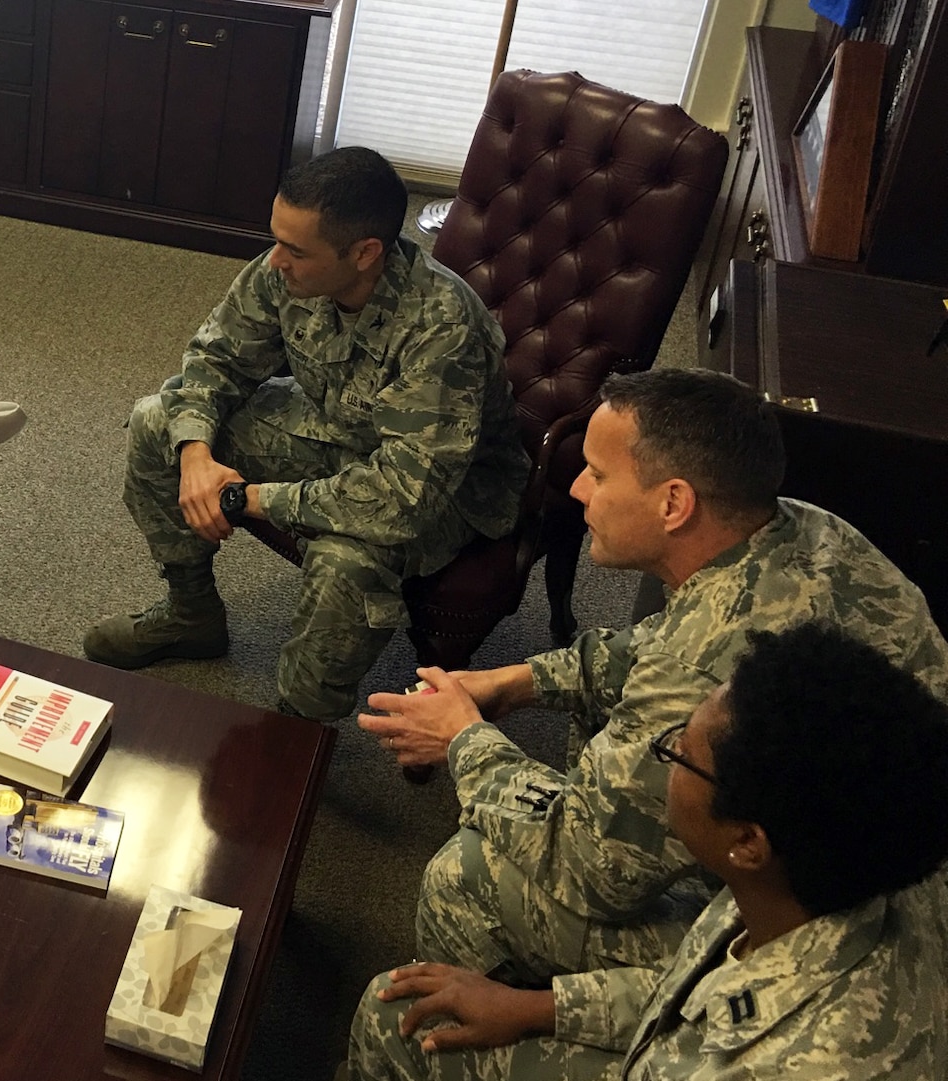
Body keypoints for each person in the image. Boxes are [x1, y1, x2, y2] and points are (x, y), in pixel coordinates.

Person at [358, 367, 948, 1041]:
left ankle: (472, 1039)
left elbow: (588, 869)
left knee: (467, 875)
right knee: (600, 727)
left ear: (674, 503)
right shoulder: (804, 531)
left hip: (835, 952)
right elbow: (653, 644)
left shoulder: (702, 662)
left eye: (598, 475)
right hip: (862, 860)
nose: (576, 490)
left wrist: (464, 739)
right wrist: (517, 682)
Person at [346, 622, 948, 1079]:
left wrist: (465, 740)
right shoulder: (808, 881)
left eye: (677, 752)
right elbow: (697, 990)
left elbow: (593, 871)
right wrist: (538, 1008)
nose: (660, 754)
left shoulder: (793, 1061)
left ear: (746, 841)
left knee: (390, 1018)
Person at [82, 146, 527, 723]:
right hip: (339, 425)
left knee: (345, 565)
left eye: (296, 250)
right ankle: (191, 613)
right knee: (155, 421)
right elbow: (214, 362)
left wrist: (252, 498)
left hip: (445, 495)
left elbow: (402, 498)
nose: (274, 262)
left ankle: (296, 726)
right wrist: (195, 455)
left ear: (365, 253)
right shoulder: (284, 269)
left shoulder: (441, 326)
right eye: (277, 240)